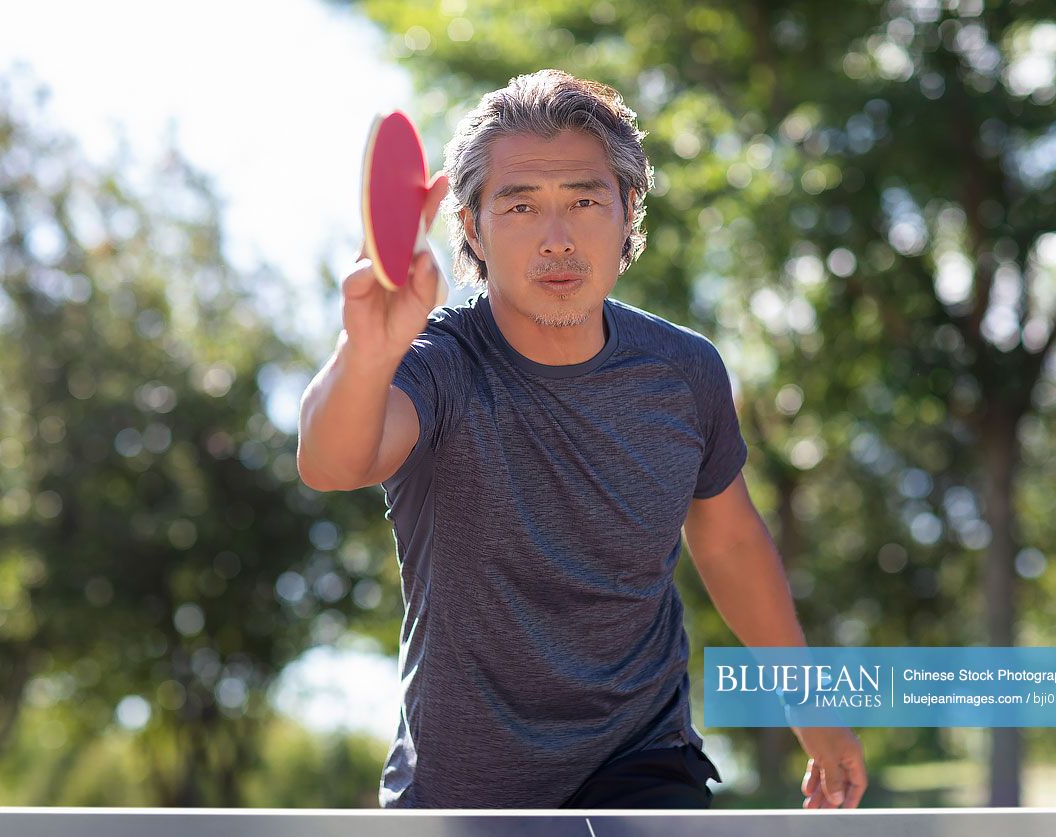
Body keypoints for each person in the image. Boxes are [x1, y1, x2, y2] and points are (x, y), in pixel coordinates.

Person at [297, 68, 866, 810]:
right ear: (471, 225)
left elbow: (727, 541)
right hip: (461, 790)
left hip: (643, 760)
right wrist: (368, 351)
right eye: (521, 205)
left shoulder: (685, 370)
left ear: (628, 209)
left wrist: (807, 703)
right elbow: (332, 461)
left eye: (585, 201)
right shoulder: (433, 365)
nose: (557, 239)